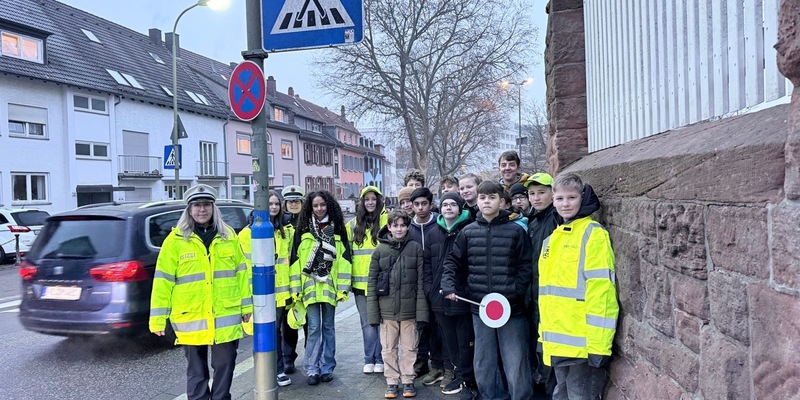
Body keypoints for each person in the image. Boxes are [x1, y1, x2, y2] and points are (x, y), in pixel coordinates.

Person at [150, 184, 252, 400]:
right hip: (191, 316)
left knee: (225, 364)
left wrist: (247, 306)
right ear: (189, 210)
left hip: (225, 314)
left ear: (214, 208)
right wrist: (158, 320)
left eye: (206, 204)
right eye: (197, 205)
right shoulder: (175, 241)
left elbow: (242, 273)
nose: (202, 210)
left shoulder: (229, 236)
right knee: (196, 370)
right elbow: (163, 281)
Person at [442, 181, 534, 400]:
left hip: (512, 307)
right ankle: (490, 396)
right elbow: (453, 262)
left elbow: (526, 265)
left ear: (500, 201)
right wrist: (448, 285)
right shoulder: (468, 232)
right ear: (477, 201)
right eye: (482, 198)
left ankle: (520, 397)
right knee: (484, 359)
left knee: (516, 360)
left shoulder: (516, 231)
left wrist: (515, 290)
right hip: (481, 308)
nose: (486, 201)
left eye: (491, 197)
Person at [538, 173, 619, 400]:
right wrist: (542, 338)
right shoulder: (552, 238)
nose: (565, 204)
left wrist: (599, 346)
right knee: (560, 394)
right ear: (553, 200)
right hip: (558, 343)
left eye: (571, 198)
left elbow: (601, 293)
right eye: (560, 198)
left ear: (582, 198)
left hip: (583, 345)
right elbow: (547, 296)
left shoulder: (594, 234)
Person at [289, 190, 353, 385]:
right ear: (310, 207)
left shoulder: (338, 228)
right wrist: (295, 289)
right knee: (314, 327)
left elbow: (344, 260)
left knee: (328, 327)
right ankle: (312, 369)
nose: (319, 208)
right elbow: (295, 261)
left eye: (322, 205)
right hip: (309, 288)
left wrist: (343, 287)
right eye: (315, 205)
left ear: (329, 206)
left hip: (330, 287)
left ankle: (327, 368)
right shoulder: (303, 229)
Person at [367, 210, 428, 399]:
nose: (399, 229)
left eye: (403, 225)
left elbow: (420, 282)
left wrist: (421, 312)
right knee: (388, 349)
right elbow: (372, 282)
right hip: (387, 311)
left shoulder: (416, 248)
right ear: (389, 227)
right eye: (395, 225)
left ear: (408, 227)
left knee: (410, 348)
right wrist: (373, 313)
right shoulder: (379, 250)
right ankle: (392, 381)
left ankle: (408, 379)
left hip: (409, 311)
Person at [422, 192, 476, 397]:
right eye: (445, 204)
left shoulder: (468, 230)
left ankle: (466, 377)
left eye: (453, 204)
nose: (448, 208)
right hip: (439, 297)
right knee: (449, 340)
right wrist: (430, 289)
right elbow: (427, 265)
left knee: (465, 340)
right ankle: (456, 373)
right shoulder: (433, 233)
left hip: (461, 296)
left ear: (460, 208)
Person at [238, 190, 293, 387]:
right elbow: (242, 267)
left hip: (279, 293)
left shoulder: (283, 232)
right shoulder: (246, 235)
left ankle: (277, 371)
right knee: (264, 333)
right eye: (269, 204)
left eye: (277, 204)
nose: (273, 207)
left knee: (275, 332)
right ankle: (266, 371)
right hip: (258, 293)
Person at [523, 172, 561, 396]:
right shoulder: (534, 220)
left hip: (551, 294)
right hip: (535, 293)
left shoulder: (556, 218)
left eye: (541, 193)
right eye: (532, 193)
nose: (536, 198)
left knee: (549, 348)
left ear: (552, 193)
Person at [346, 185, 388, 375]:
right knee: (367, 323)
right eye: (367, 199)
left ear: (379, 201)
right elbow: (346, 256)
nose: (370, 202)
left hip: (382, 282)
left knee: (383, 322)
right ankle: (369, 358)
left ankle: (380, 358)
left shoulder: (387, 221)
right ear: (362, 202)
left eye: (373, 199)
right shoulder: (352, 225)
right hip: (360, 284)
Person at [407, 187, 445, 384]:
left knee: (437, 326)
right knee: (419, 325)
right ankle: (421, 361)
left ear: (431, 204)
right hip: (414, 286)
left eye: (424, 204)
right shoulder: (408, 228)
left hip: (436, 284)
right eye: (416, 204)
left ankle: (438, 364)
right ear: (411, 206)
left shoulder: (439, 225)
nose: (420, 208)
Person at [281, 184, 306, 374]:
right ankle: (288, 358)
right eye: (290, 202)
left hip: (306, 277)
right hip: (288, 278)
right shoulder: (281, 224)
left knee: (309, 322)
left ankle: (311, 358)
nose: (294, 205)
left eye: (297, 201)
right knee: (289, 323)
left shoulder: (308, 221)